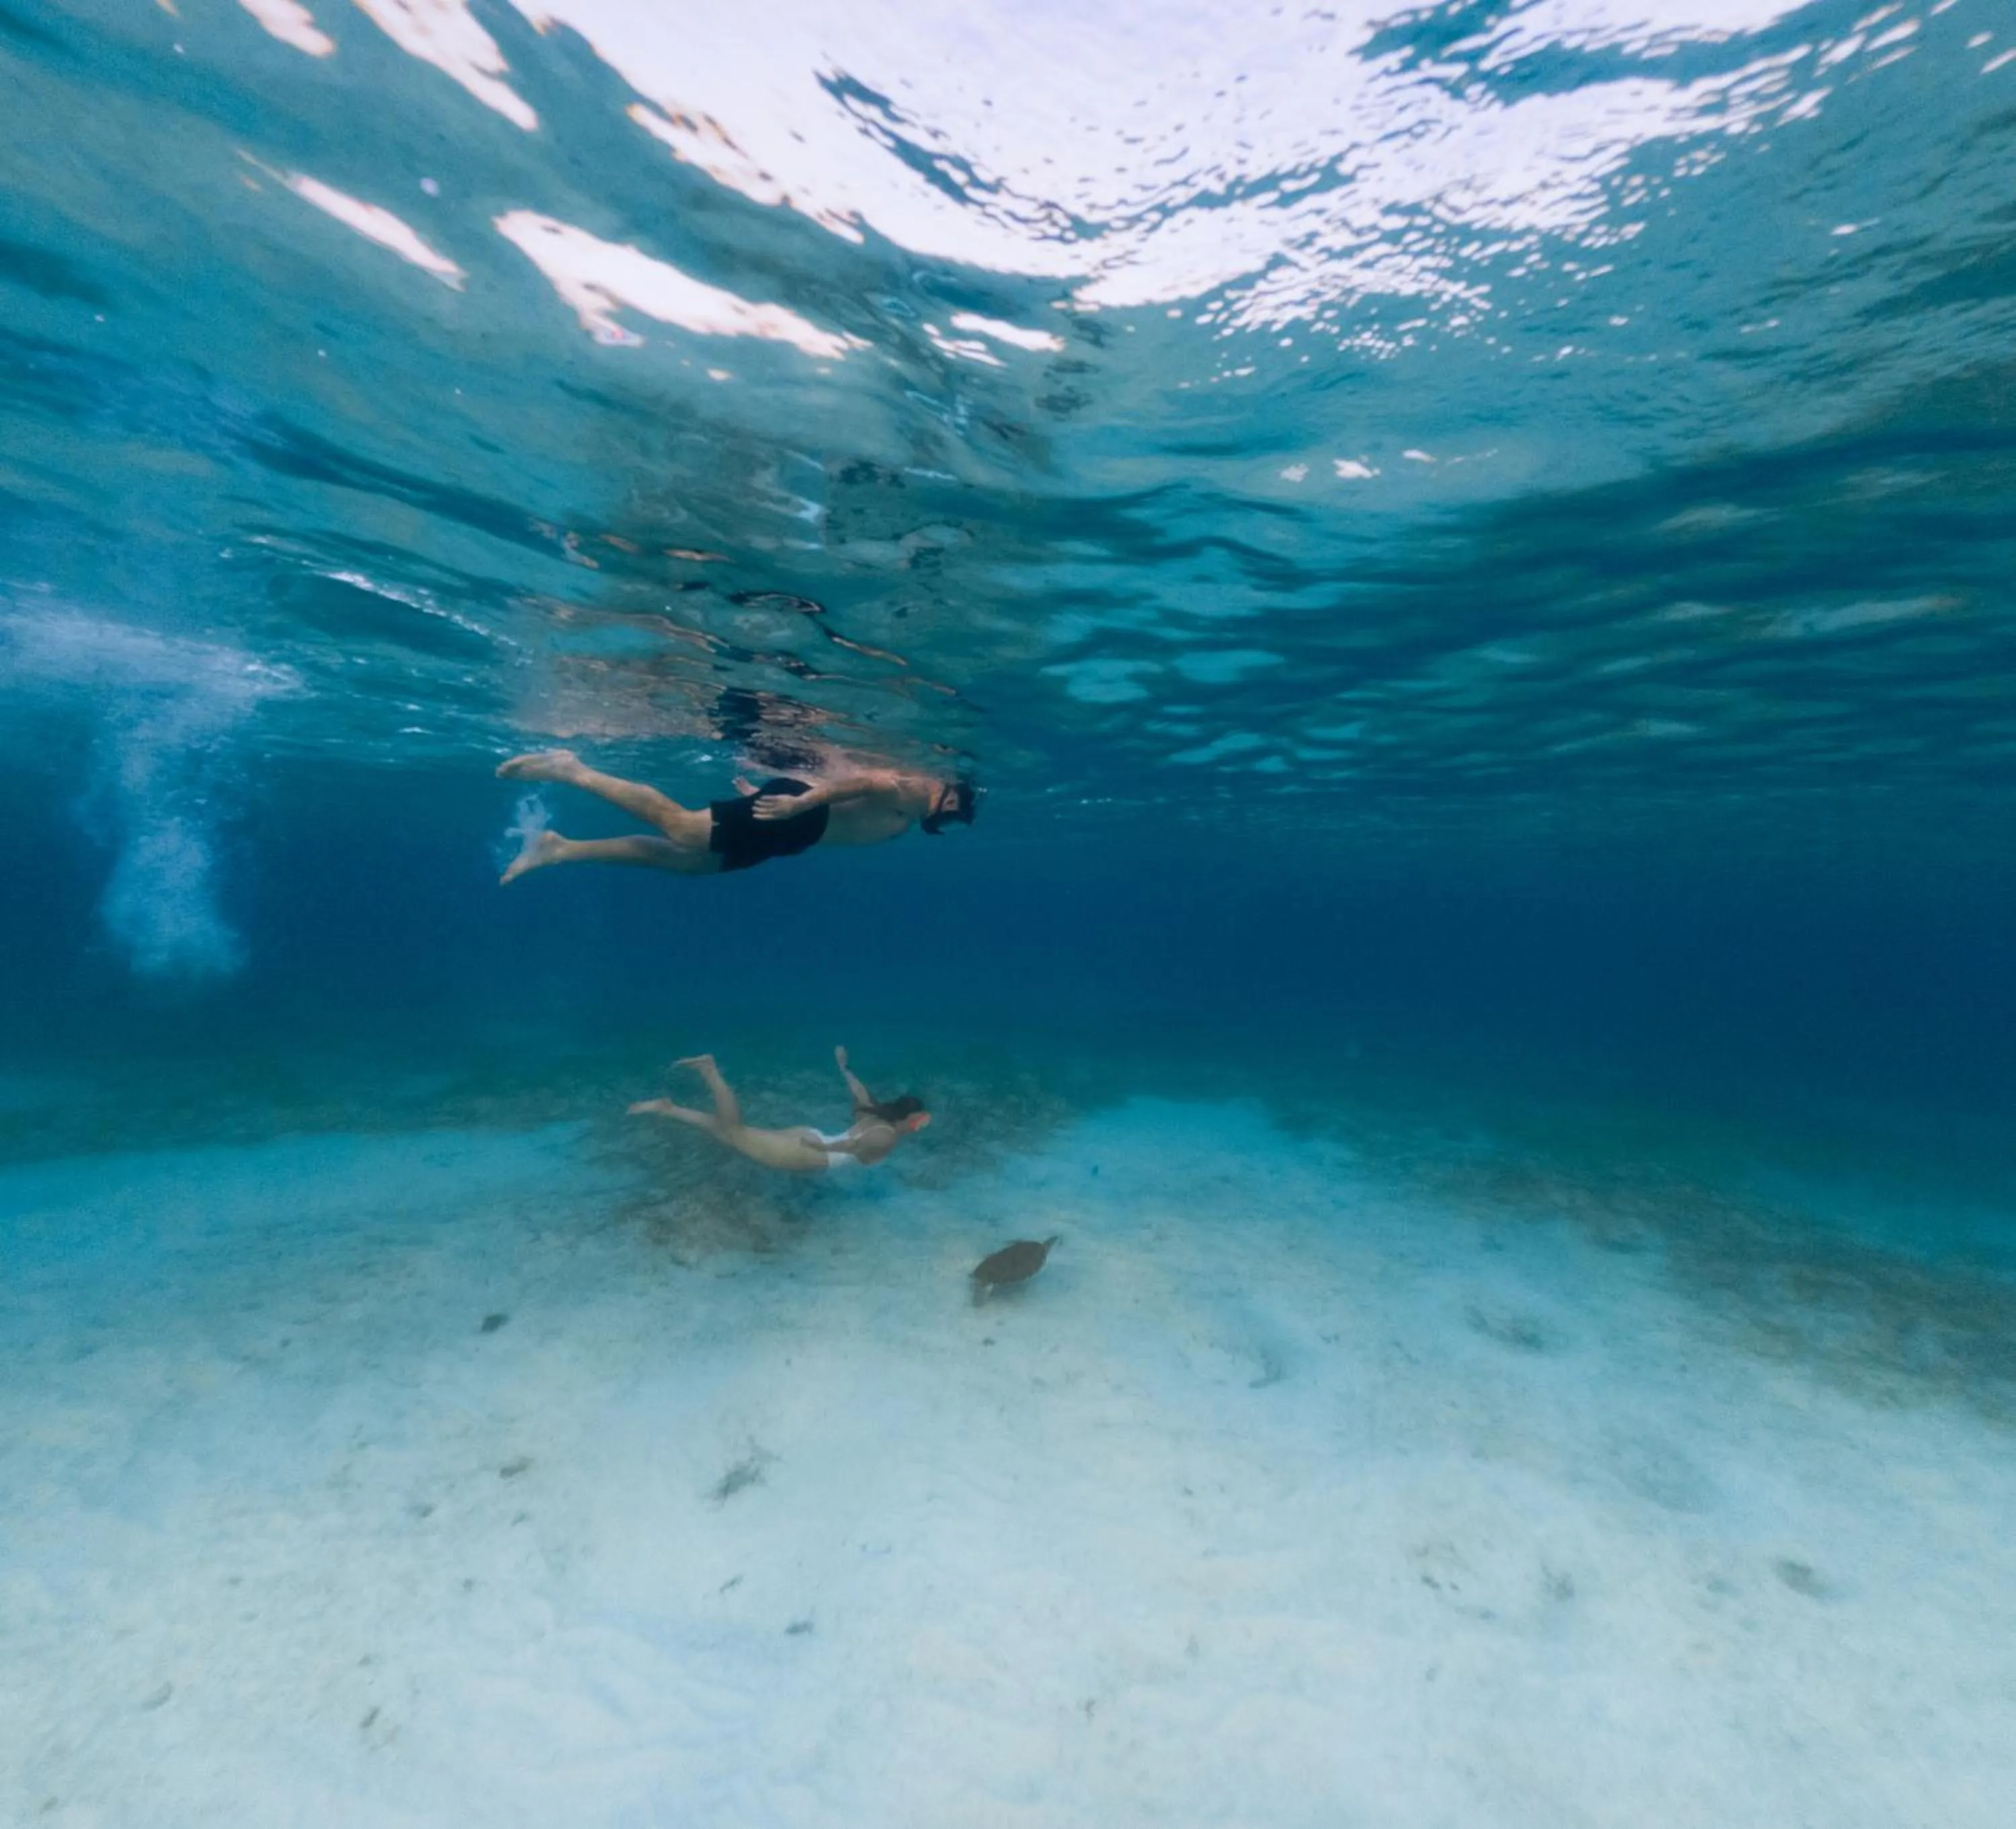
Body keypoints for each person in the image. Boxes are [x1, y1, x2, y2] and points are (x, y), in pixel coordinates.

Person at [495, 747, 976, 883]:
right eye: (945, 803)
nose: (938, 811)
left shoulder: (907, 817)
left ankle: (560, 848)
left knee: (690, 864)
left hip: (793, 832)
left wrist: (774, 797)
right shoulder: (904, 786)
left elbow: (850, 812)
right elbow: (860, 784)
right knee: (682, 827)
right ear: (942, 791)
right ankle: (571, 769)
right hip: (795, 812)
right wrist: (797, 801)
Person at [628, 1048, 929, 1175]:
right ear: (908, 1120)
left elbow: (857, 1089)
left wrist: (843, 1065)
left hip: (810, 1137)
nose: (919, 1128)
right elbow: (852, 1146)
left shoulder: (873, 1115)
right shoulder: (887, 1136)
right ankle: (710, 1071)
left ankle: (667, 1108)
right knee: (735, 1133)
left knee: (727, 1134)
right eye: (919, 1123)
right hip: (812, 1152)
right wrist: (821, 1146)